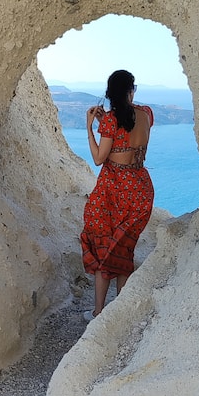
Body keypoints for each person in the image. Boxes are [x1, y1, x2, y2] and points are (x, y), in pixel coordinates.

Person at [80, 69, 154, 321]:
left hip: (113, 191)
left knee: (102, 248)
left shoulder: (111, 121)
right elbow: (128, 132)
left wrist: (90, 128)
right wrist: (106, 122)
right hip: (139, 190)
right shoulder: (147, 114)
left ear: (110, 93)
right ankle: (119, 314)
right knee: (123, 251)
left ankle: (99, 312)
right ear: (131, 91)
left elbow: (99, 158)